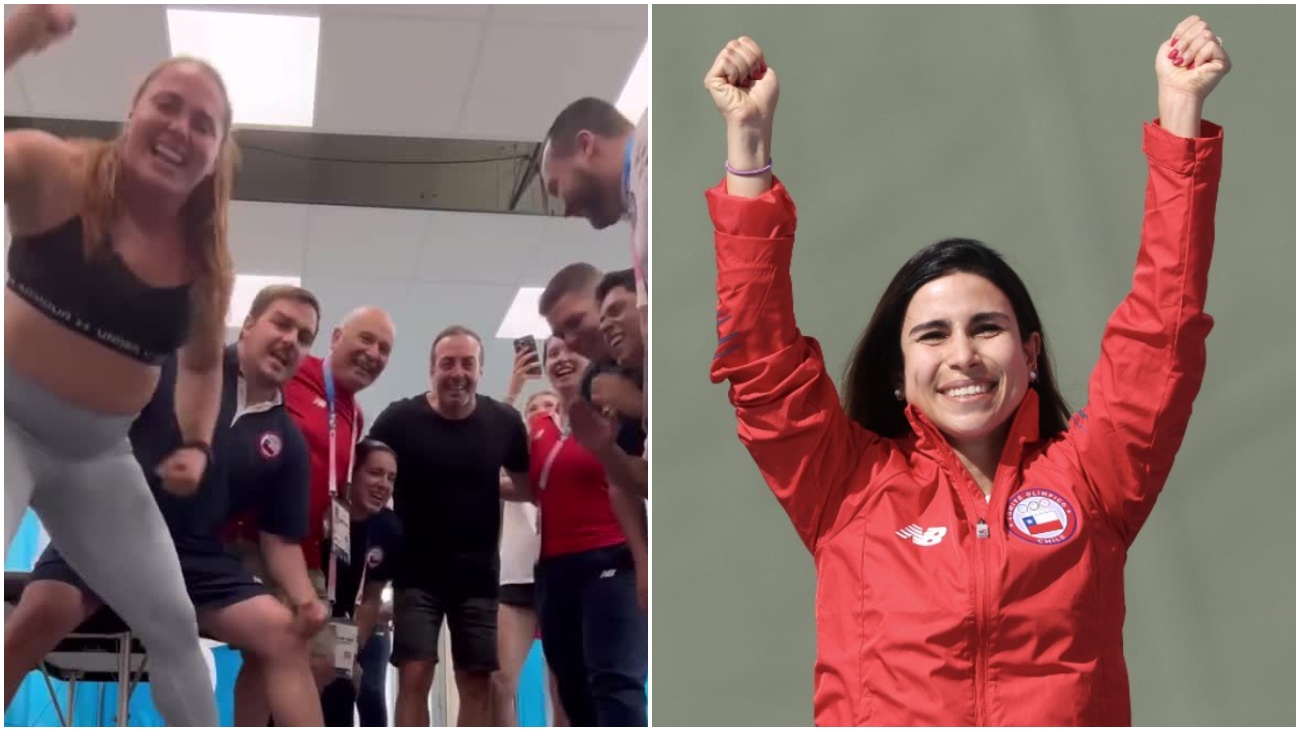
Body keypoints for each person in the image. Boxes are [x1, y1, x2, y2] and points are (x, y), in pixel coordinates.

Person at [703, 19, 1228, 726]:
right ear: (899, 370)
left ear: (1031, 353)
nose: (963, 356)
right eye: (932, 335)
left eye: (987, 327)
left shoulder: (1093, 481)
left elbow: (1162, 333)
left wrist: (1179, 117)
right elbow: (762, 364)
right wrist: (748, 150)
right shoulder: (845, 488)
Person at [3, 6, 239, 725]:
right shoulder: (52, 171)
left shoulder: (206, 266)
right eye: (167, 106)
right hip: (9, 419)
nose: (180, 129)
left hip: (98, 456)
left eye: (203, 124)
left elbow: (201, 369)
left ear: (218, 152)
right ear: (132, 111)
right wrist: (16, 38)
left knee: (171, 623)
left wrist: (196, 441)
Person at [4, 285, 327, 726]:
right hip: (107, 532)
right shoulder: (178, 366)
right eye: (282, 323)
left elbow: (280, 539)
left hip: (198, 559)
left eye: (304, 336)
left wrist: (307, 600)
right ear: (249, 325)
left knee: (284, 635)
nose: (292, 340)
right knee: (36, 618)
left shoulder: (286, 440)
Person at [227, 304, 396, 724]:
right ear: (336, 337)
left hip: (304, 552)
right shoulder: (293, 372)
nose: (374, 353)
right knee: (271, 651)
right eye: (366, 339)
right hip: (247, 538)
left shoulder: (355, 415)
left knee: (317, 660)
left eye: (384, 349)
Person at [370, 325, 533, 728]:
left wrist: (487, 485)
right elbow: (368, 473)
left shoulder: (504, 423)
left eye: (467, 363)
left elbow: (527, 484)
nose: (457, 372)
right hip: (414, 574)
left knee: (476, 682)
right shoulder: (399, 419)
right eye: (447, 363)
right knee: (414, 676)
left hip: (477, 576)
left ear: (480, 370)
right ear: (432, 370)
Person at [532, 337, 648, 727]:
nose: (561, 359)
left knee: (615, 679)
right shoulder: (540, 428)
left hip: (610, 556)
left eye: (570, 350)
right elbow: (527, 485)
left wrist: (644, 561)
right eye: (552, 353)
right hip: (554, 569)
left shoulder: (615, 415)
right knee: (571, 685)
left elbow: (632, 483)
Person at [540, 265, 649, 607]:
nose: (570, 341)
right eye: (560, 332)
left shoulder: (660, 349)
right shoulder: (593, 383)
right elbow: (630, 482)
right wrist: (644, 562)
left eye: (576, 322)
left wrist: (638, 404)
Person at [542, 98, 650, 412]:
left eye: (556, 187)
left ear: (586, 145)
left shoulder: (660, 158)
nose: (566, 210)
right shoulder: (642, 199)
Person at [495, 379, 569, 727]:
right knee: (501, 681)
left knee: (563, 684)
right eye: (534, 408)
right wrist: (510, 395)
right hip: (516, 578)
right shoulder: (508, 463)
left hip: (561, 572)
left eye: (550, 406)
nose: (542, 413)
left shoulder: (572, 459)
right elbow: (484, 458)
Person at [318, 439, 403, 727]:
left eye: (391, 478)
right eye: (375, 473)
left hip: (345, 624)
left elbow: (371, 598)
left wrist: (349, 652)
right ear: (351, 472)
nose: (384, 485)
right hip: (304, 620)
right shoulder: (322, 512)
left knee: (346, 697)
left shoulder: (388, 528)